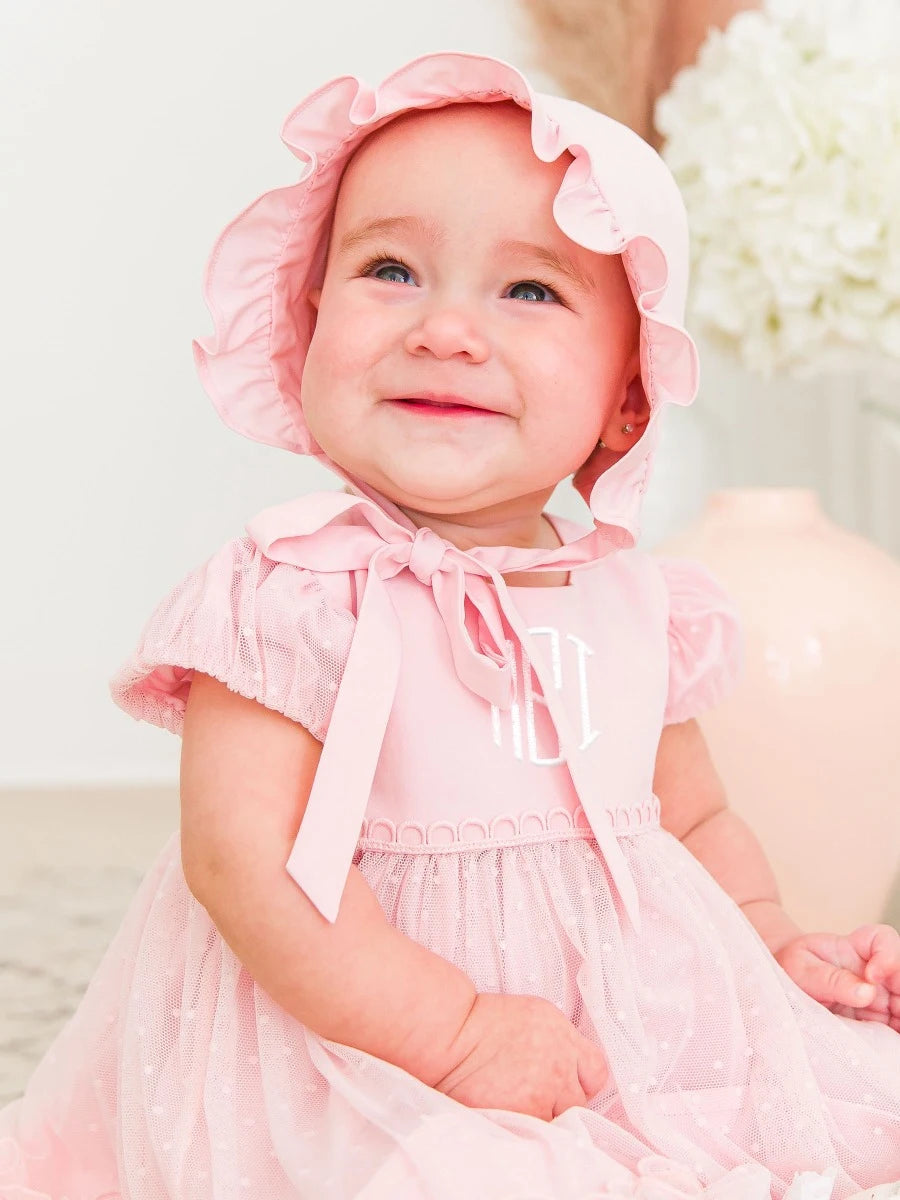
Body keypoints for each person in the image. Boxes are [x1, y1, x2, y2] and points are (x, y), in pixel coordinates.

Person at [1, 50, 899, 1200]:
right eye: (390, 269)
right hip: (364, 1031)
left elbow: (697, 816)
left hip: (606, 1019)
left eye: (529, 291)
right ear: (308, 321)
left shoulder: (638, 600)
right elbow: (245, 862)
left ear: (628, 396)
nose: (447, 330)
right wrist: (457, 1035)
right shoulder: (297, 592)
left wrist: (776, 947)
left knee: (820, 1116)